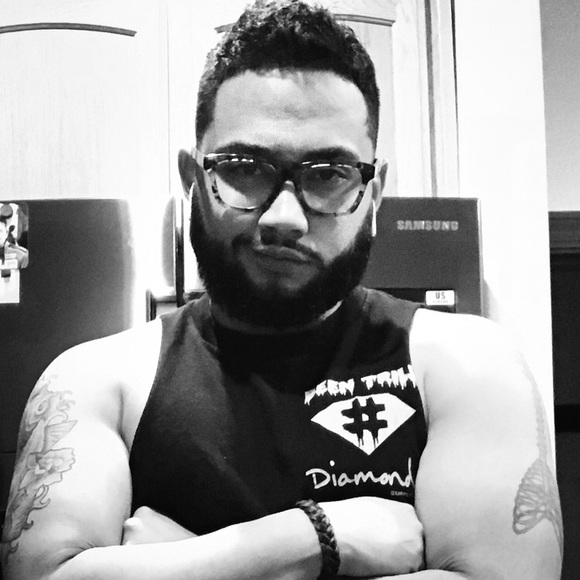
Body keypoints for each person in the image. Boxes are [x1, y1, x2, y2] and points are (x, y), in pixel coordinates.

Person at [1, 1, 562, 579]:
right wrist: (313, 538)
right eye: (245, 167)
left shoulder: (467, 365)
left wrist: (176, 563)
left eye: (329, 174)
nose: (285, 218)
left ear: (374, 196)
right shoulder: (98, 381)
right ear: (193, 180)